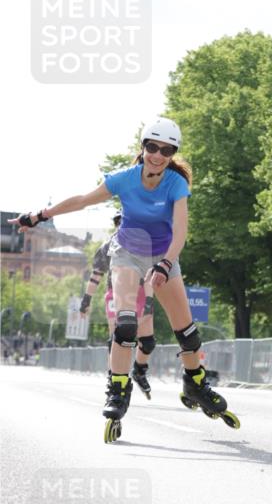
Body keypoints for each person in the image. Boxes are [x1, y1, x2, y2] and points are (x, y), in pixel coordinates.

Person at [10, 116, 240, 442]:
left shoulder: (175, 183)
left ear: (173, 154)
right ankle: (117, 389)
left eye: (166, 150)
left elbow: (180, 231)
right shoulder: (124, 179)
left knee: (188, 334)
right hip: (127, 254)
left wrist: (165, 264)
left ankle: (195, 383)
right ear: (143, 147)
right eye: (152, 147)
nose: (158, 155)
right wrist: (39, 216)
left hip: (164, 257)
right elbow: (83, 200)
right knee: (126, 324)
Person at [79, 211, 156, 398]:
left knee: (147, 342)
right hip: (116, 293)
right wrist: (86, 299)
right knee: (117, 336)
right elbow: (96, 276)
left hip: (140, 292)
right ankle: (114, 379)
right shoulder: (108, 246)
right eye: (119, 222)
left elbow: (150, 274)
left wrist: (149, 299)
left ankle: (139, 371)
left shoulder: (143, 243)